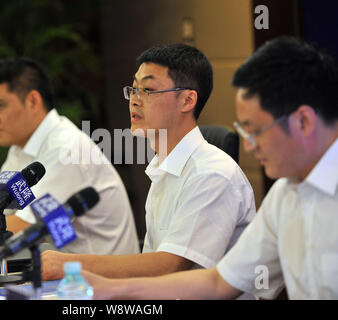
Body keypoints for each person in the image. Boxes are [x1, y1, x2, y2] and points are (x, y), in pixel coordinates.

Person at [82, 36, 338, 300]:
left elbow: (171, 267)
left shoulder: (214, 173)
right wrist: (114, 290)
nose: (249, 146)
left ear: (304, 122)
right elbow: (218, 282)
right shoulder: (285, 195)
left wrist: (80, 271)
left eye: (256, 130)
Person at [40, 43, 256, 287]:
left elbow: (169, 265)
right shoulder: (163, 167)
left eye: (148, 90)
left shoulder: (212, 174)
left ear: (187, 100)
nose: (134, 100)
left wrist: (72, 265)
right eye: (133, 89)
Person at [0, 57, 140, 255]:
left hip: (96, 287)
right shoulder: (21, 147)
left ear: (32, 101)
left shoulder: (66, 149)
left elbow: (26, 228)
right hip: (56, 271)